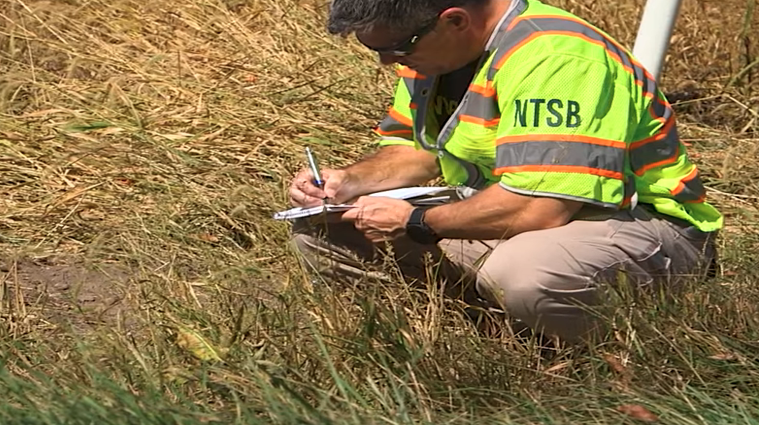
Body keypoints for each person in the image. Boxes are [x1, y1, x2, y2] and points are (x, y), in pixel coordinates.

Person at [287, 0, 723, 344]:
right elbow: (420, 152)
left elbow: (539, 209)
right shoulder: (433, 54)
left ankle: (634, 350)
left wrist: (417, 223)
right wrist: (351, 181)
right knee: (328, 233)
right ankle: (504, 340)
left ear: (454, 20)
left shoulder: (558, 59)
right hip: (510, 210)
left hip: (633, 223)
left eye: (394, 48)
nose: (387, 63)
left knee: (526, 274)